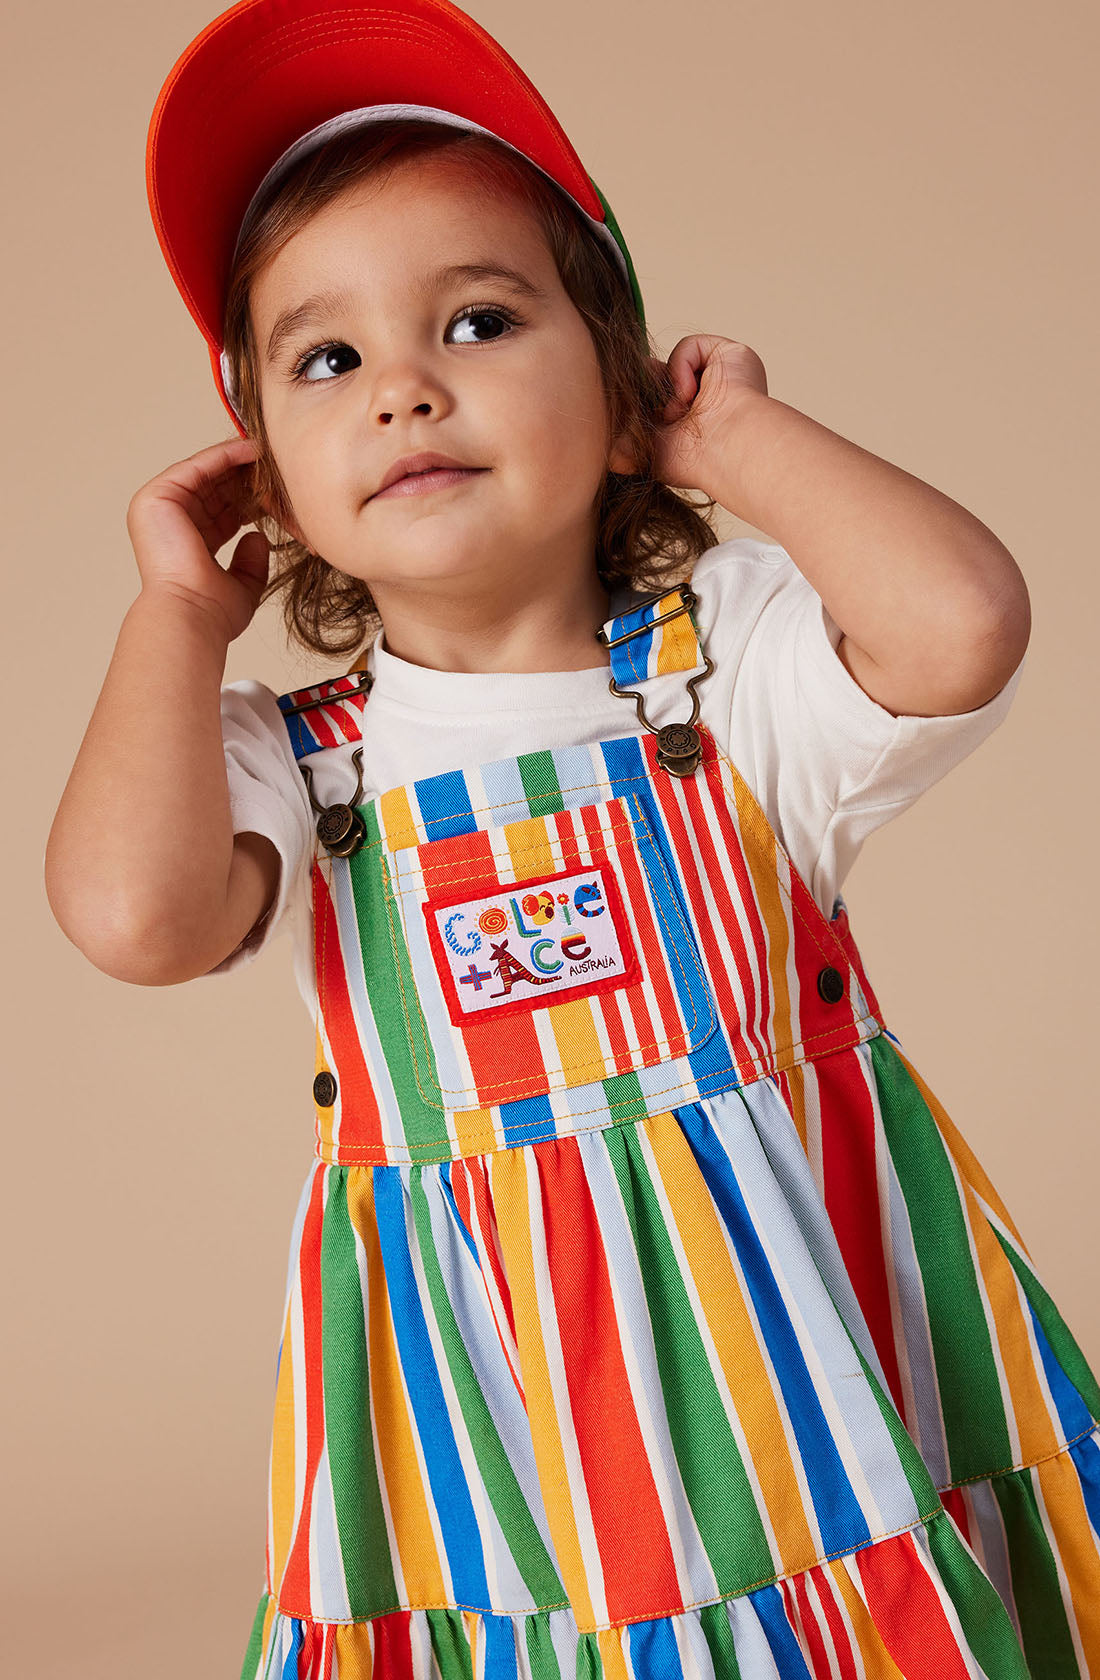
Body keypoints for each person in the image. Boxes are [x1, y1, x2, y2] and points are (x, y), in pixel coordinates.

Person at [44, 0, 1100, 1675]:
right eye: (325, 360)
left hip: (807, 1409)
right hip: (495, 1431)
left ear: (618, 401)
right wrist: (175, 620)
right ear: (272, 483)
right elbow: (130, 915)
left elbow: (964, 622)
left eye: (476, 320)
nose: (401, 385)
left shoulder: (728, 673)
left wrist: (732, 437)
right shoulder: (306, 768)